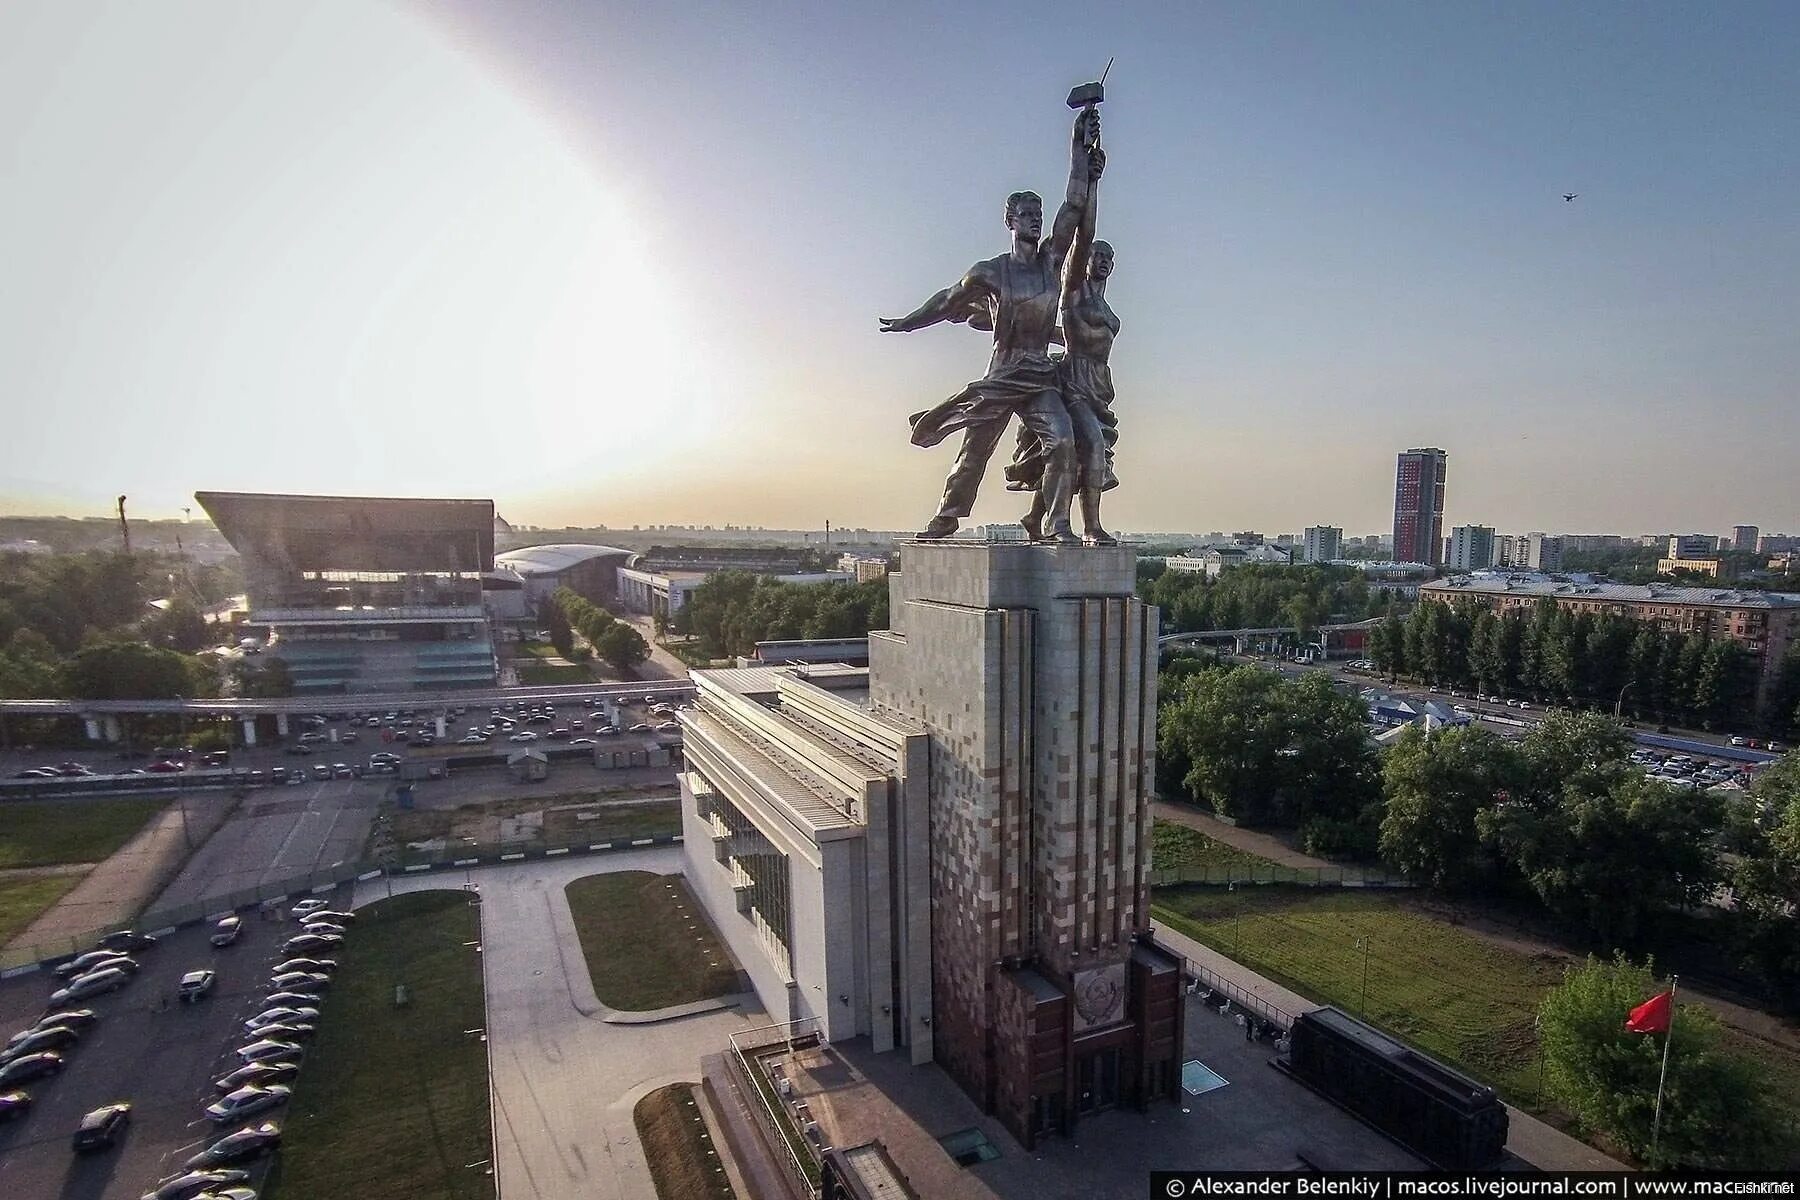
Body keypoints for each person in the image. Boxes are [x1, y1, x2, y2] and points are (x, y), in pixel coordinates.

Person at [880, 108, 1105, 542]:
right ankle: (946, 516)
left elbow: (1074, 205)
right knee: (974, 452)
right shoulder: (991, 272)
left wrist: (1080, 148)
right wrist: (909, 323)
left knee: (1062, 443)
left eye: (1039, 214)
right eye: (1027, 214)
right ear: (1010, 220)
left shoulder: (1050, 262)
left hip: (1041, 375)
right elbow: (948, 301)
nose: (1036, 220)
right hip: (1003, 374)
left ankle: (1058, 523)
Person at [1010, 176, 1121, 544]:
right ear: (1083, 260)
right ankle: (1090, 526)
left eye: (1109, 257)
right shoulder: (1074, 292)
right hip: (1073, 378)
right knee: (1089, 444)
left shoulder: (1105, 304)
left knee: (1081, 452)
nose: (1102, 260)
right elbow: (1084, 233)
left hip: (1099, 386)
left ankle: (1034, 516)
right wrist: (1092, 182)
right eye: (1096, 255)